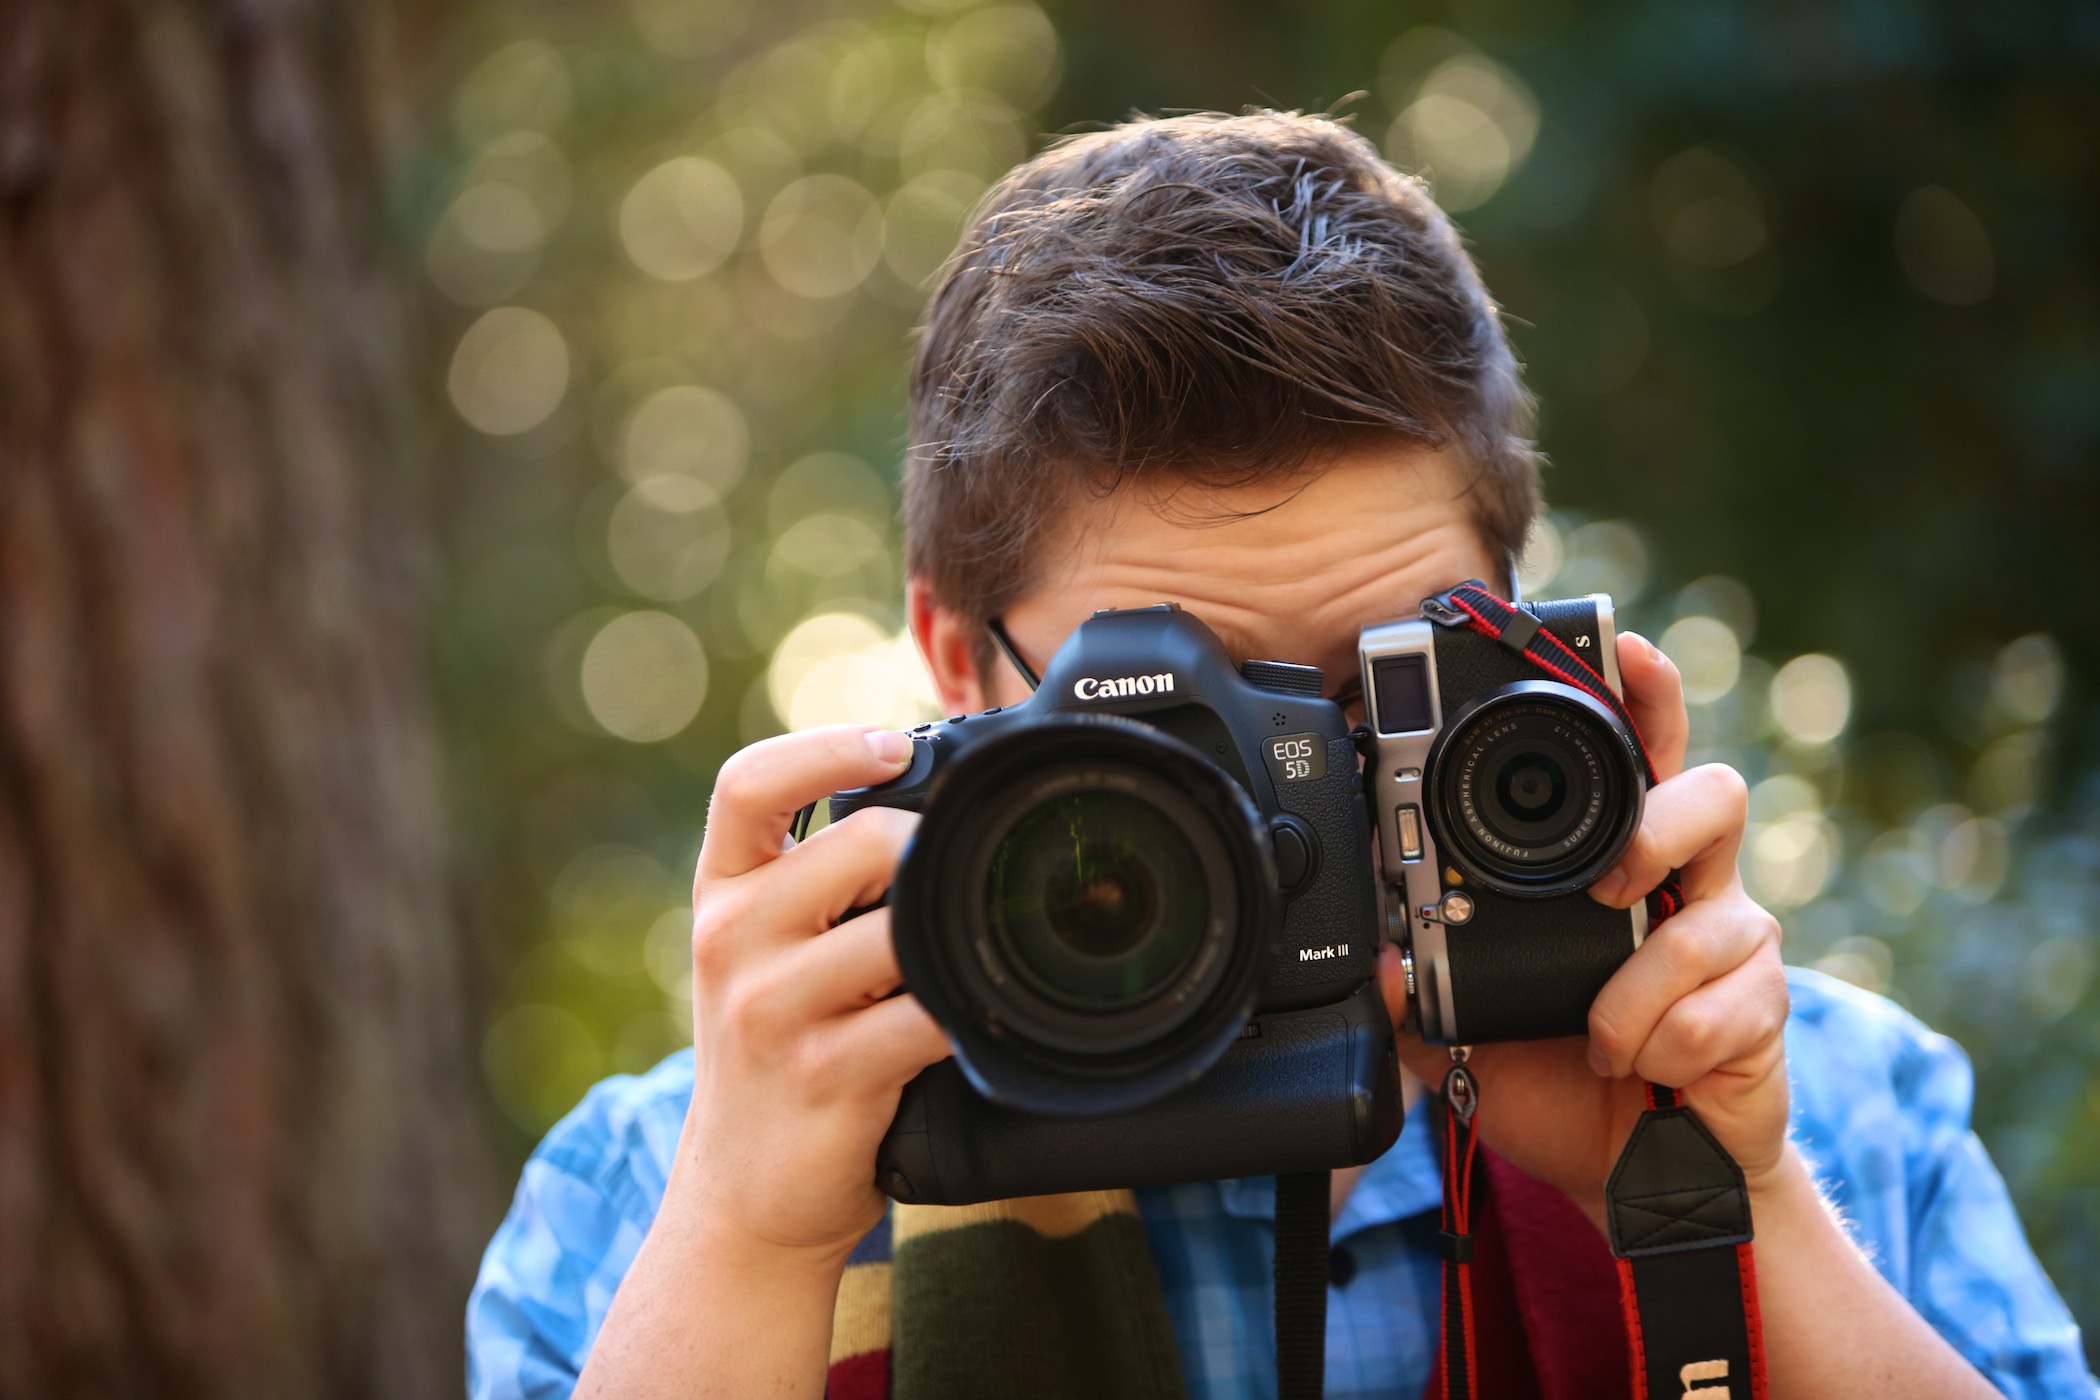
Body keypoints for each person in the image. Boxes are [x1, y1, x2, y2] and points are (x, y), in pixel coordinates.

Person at [466, 112, 2093, 1399]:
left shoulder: (1826, 1113)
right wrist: (752, 1244)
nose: (1312, 788)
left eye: (1382, 687)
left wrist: (1709, 1209)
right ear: (961, 664)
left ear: (1525, 630)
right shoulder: (665, 1194)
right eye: (1208, 707)